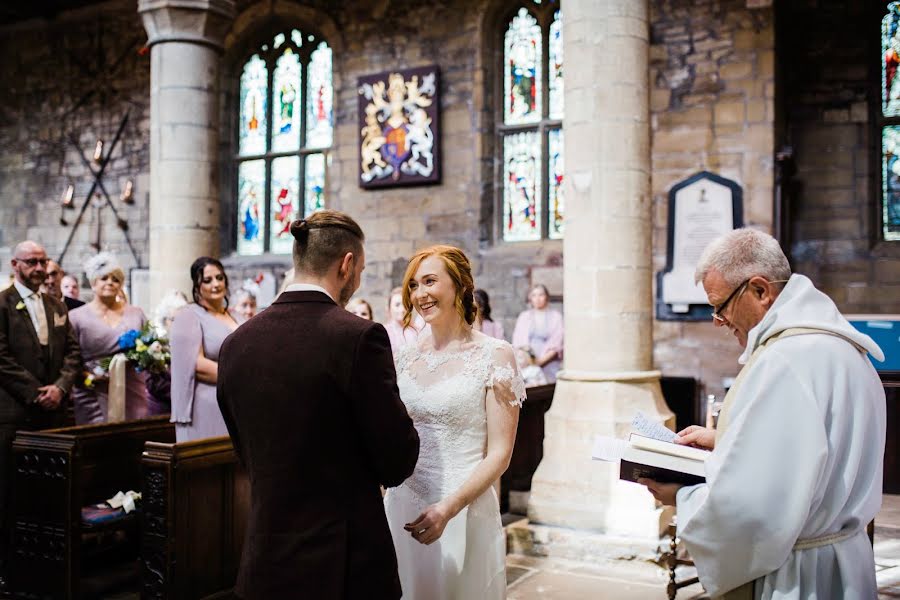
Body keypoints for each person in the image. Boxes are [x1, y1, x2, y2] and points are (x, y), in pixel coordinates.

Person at [639, 228, 885, 599]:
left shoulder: (785, 361)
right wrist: (726, 440)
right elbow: (812, 454)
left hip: (797, 578)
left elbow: (754, 509)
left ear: (760, 290)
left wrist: (683, 497)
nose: (717, 321)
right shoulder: (840, 347)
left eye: (719, 306)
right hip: (844, 563)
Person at [217, 210, 419, 599]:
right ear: (347, 265)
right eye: (360, 268)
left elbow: (246, 450)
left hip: (264, 564)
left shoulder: (236, 344)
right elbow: (397, 461)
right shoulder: (358, 337)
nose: (357, 280)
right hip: (343, 567)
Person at [385, 244, 525, 600]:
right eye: (413, 286)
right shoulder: (405, 356)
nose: (419, 294)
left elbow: (500, 454)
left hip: (462, 506)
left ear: (460, 285)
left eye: (430, 281)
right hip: (403, 504)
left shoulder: (495, 355)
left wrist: (449, 508)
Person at [0, 241, 81, 576]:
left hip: (54, 414)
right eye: (32, 262)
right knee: (10, 492)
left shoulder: (55, 305)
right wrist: (36, 392)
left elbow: (74, 353)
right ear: (15, 264)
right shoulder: (2, 304)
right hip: (15, 413)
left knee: (49, 493)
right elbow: (1, 357)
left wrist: (60, 388)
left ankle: (47, 566)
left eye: (43, 261)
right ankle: (9, 565)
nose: (39, 268)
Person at [69, 252, 149, 424]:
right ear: (93, 282)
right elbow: (70, 357)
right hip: (94, 389)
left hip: (131, 388)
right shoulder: (76, 317)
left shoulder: (136, 313)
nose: (110, 282)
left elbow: (148, 346)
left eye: (116, 279)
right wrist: (86, 377)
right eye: (104, 278)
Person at [169, 257, 242, 442]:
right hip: (206, 405)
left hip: (238, 401)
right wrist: (243, 376)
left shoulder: (237, 316)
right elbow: (195, 364)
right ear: (197, 286)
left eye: (219, 277)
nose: (216, 284)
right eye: (207, 280)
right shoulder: (189, 316)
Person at [144, 290, 189, 416]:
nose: (180, 324)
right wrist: (183, 395)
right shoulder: (157, 345)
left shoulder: (194, 345)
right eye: (174, 319)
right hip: (162, 411)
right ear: (165, 321)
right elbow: (154, 383)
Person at [511, 284, 563, 383]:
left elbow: (557, 342)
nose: (537, 298)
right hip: (526, 363)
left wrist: (539, 362)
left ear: (546, 297)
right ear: (530, 298)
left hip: (548, 363)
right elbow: (518, 341)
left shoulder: (556, 317)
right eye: (534, 295)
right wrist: (529, 361)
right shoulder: (524, 316)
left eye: (541, 295)